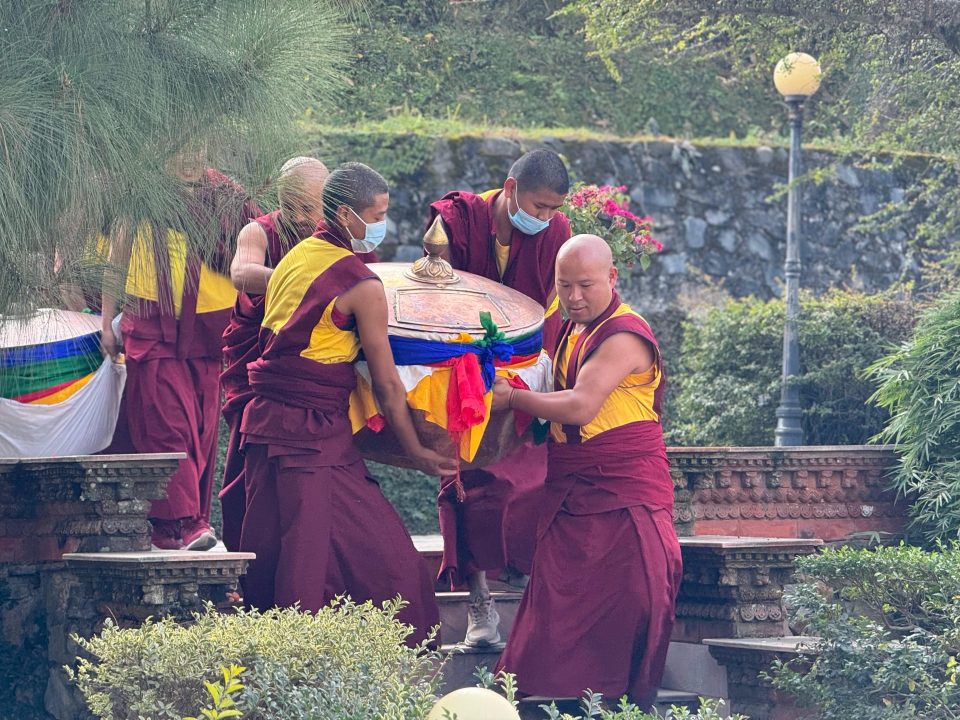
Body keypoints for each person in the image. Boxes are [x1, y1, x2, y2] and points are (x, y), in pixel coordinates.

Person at [238, 162, 455, 646]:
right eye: (376, 215)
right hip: (312, 433)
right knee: (382, 564)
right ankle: (316, 657)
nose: (382, 224)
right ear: (345, 215)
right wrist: (416, 450)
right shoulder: (362, 284)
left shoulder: (298, 255)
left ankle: (287, 652)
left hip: (271, 424)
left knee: (283, 546)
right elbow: (386, 384)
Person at [490, 234, 682, 710]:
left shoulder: (624, 335)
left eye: (586, 286)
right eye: (564, 286)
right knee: (555, 598)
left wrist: (511, 397)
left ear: (613, 278)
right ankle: (542, 698)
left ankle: (620, 703)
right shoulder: (573, 326)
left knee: (635, 595)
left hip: (622, 487)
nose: (573, 297)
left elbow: (579, 405)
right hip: (576, 487)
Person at [424, 148, 570, 646]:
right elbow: (436, 299)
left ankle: (532, 597)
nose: (545, 218)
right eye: (538, 206)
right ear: (510, 189)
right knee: (472, 484)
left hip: (525, 369)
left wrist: (541, 377)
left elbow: (555, 308)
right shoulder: (456, 220)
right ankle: (479, 603)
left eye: (553, 209)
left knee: (532, 482)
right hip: (464, 368)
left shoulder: (557, 232)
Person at [101, 149, 259, 551]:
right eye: (183, 147)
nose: (193, 157)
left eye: (201, 147)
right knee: (165, 424)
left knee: (201, 431)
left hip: (210, 328)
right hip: (153, 323)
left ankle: (185, 526)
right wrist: (106, 321)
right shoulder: (141, 191)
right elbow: (116, 260)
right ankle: (182, 524)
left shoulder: (226, 196)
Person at [218, 156, 329, 552]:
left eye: (308, 206)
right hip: (259, 363)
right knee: (249, 459)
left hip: (312, 368)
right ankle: (245, 547)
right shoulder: (259, 231)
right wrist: (305, 280)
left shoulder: (333, 233)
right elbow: (242, 273)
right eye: (290, 203)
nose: (298, 216)